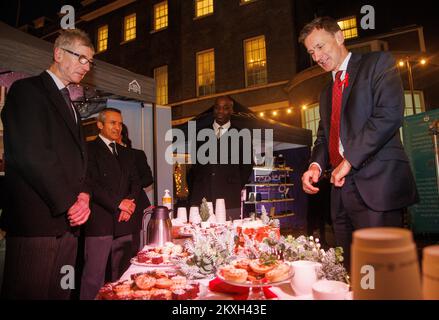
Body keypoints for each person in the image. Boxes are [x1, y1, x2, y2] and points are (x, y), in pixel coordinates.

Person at [300, 17, 418, 269]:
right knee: (352, 269)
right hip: (340, 191)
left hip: (378, 185)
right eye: (311, 52)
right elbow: (324, 136)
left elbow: (388, 115)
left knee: (383, 270)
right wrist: (315, 167)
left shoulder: (378, 63)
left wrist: (349, 159)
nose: (317, 56)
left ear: (340, 37)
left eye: (320, 47)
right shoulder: (325, 93)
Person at [0, 29, 94, 299]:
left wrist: (85, 194)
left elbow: (81, 158)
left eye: (89, 62)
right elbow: (33, 154)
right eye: (81, 58)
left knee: (61, 294)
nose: (86, 67)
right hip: (37, 225)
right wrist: (70, 202)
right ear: (58, 53)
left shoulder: (71, 104)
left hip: (69, 225)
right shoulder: (27, 90)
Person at [79, 108, 140, 300]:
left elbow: (136, 182)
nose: (117, 127)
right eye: (112, 123)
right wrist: (118, 204)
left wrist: (129, 205)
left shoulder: (126, 153)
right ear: (100, 125)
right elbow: (90, 183)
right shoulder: (88, 150)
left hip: (125, 222)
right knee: (93, 277)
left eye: (120, 123)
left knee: (122, 277)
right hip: (100, 222)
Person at [187, 95, 253, 219]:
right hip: (202, 197)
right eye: (217, 108)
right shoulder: (200, 134)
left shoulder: (242, 135)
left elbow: (247, 167)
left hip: (229, 198)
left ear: (232, 111)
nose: (220, 111)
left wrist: (233, 184)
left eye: (225, 108)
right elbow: (195, 166)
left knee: (229, 236)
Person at [118, 124, 154, 255]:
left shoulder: (136, 154)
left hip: (135, 202)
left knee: (131, 245)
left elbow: (148, 178)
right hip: (112, 204)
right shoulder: (103, 153)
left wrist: (132, 188)